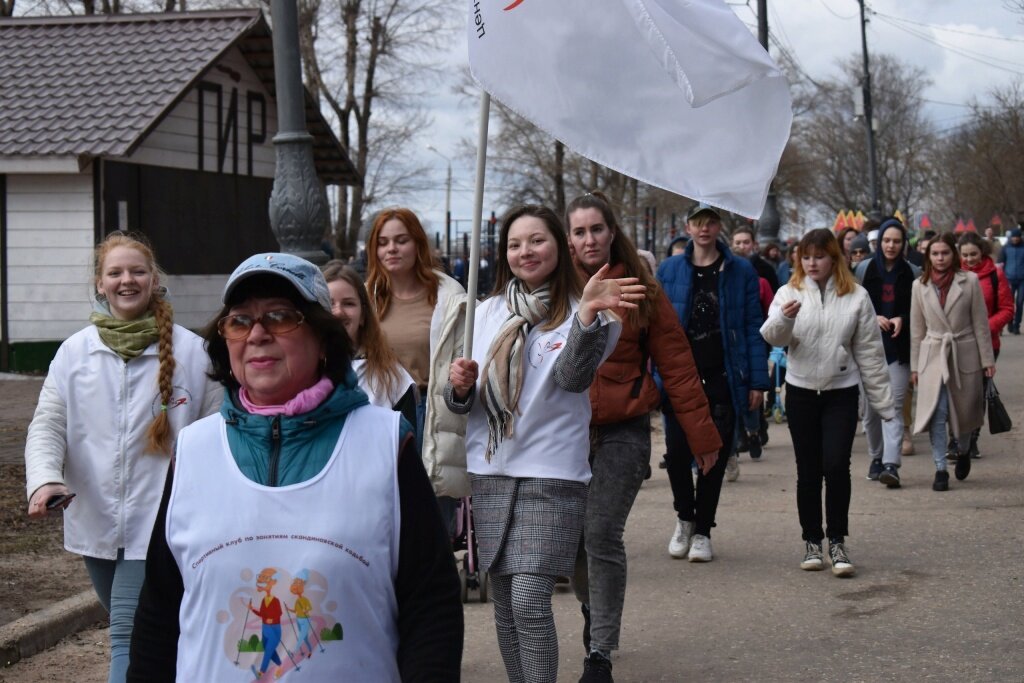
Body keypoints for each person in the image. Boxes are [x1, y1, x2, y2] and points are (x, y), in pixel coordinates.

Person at [127, 252, 463, 681]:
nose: (258, 334)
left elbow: (431, 606)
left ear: (323, 339)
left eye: (281, 317)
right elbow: (159, 612)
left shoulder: (386, 444)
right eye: (240, 321)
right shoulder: (194, 450)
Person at [446, 205, 640, 683]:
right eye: (515, 244)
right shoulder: (485, 313)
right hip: (490, 471)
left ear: (561, 245)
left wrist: (589, 316)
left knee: (532, 597)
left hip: (552, 476)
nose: (525, 251)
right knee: (506, 601)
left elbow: (574, 379)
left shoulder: (593, 311)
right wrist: (460, 386)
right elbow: (458, 407)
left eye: (537, 240)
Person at [24, 232, 221, 683]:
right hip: (94, 516)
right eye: (115, 272)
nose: (126, 280)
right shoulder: (74, 353)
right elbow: (48, 424)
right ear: (99, 283)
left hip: (162, 519)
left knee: (126, 636)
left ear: (155, 280)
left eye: (137, 271)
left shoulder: (193, 352)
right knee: (150, 634)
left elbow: (216, 431)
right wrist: (44, 480)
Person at [565, 192, 720, 681]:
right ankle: (595, 609)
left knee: (601, 531)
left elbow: (676, 364)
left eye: (597, 228)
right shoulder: (555, 290)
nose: (589, 238)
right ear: (568, 239)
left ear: (612, 231)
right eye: (579, 231)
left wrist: (702, 436)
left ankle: (600, 653)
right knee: (572, 543)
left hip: (623, 432)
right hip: (563, 436)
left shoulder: (642, 291)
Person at [761, 229, 893, 577]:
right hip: (801, 391)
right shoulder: (787, 292)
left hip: (841, 391)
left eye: (819, 256)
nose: (812, 262)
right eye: (806, 256)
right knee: (808, 471)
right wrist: (784, 318)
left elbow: (870, 351)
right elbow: (772, 336)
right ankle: (811, 541)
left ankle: (837, 540)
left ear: (834, 258)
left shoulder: (856, 297)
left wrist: (883, 402)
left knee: (836, 466)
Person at [657, 203, 769, 543]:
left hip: (724, 373)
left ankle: (703, 530)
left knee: (715, 457)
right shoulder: (670, 269)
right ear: (688, 227)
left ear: (719, 226)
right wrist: (654, 376)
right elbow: (657, 328)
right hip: (680, 377)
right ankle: (685, 517)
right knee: (677, 455)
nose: (704, 228)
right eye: (697, 222)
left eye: (711, 222)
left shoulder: (741, 271)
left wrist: (757, 380)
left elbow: (753, 326)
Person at [366, 208, 470, 518]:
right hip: (383, 413)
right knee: (385, 516)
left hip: (431, 412)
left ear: (418, 245)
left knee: (432, 518)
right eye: (383, 242)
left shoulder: (448, 297)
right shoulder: (368, 297)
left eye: (401, 240)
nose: (391, 249)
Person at [911, 234, 996, 492]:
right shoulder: (920, 285)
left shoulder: (969, 281)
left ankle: (964, 449)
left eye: (945, 253)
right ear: (928, 257)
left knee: (966, 412)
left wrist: (987, 360)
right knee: (937, 413)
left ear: (954, 254)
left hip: (964, 350)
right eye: (935, 254)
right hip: (933, 354)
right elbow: (917, 329)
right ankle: (940, 468)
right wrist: (915, 366)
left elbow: (981, 323)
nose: (940, 258)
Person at [854, 217, 918, 488]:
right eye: (887, 240)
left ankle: (892, 464)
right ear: (879, 242)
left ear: (904, 244)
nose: (891, 245)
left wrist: (904, 317)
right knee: (870, 410)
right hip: (868, 349)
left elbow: (919, 310)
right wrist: (874, 316)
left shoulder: (912, 273)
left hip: (899, 349)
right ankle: (877, 457)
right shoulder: (864, 270)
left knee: (892, 406)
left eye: (897, 241)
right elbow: (854, 308)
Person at [321, 260, 417, 428]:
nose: (338, 311)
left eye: (348, 303)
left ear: (363, 315)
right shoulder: (301, 374)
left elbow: (405, 447)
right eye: (329, 304)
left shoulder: (393, 380)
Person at [957, 232, 1013, 458]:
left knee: (977, 394)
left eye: (974, 254)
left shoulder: (995, 275)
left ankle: (972, 438)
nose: (969, 259)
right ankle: (957, 437)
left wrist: (985, 326)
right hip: (959, 343)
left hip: (987, 343)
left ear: (983, 253)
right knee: (958, 392)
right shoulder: (954, 275)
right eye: (965, 255)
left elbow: (1008, 309)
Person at [997, 227, 1024, 334]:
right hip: (1008, 280)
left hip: (1022, 280)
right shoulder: (1005, 248)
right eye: (1013, 237)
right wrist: (1000, 278)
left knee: (1020, 302)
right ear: (1010, 238)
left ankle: (1017, 325)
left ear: (1020, 237)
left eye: (1017, 237)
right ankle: (1010, 323)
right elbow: (1000, 264)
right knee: (1009, 303)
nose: (1015, 239)